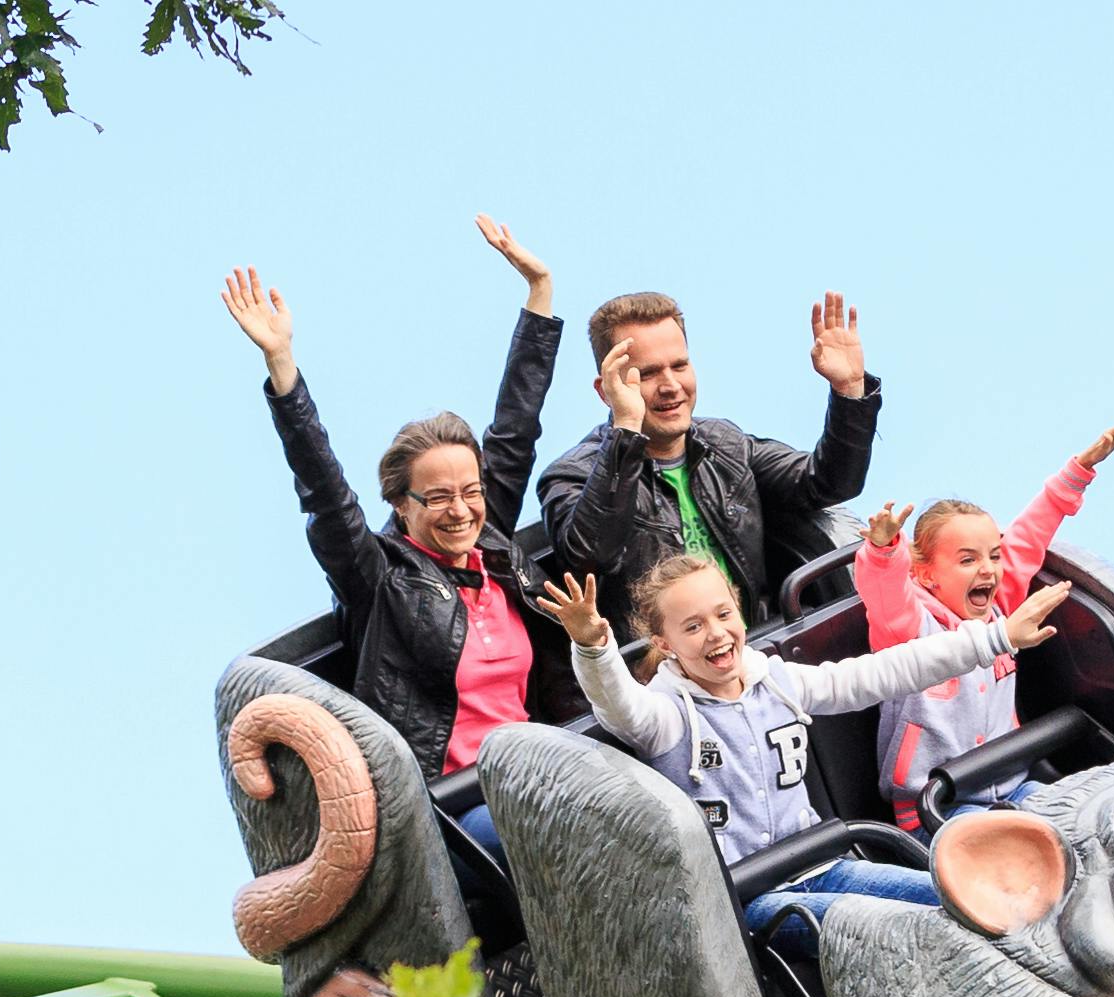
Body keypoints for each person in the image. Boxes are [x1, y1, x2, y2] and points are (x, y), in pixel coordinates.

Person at [220, 218, 587, 856]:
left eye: (470, 493)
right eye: (438, 498)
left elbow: (515, 426)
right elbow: (326, 496)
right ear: (400, 503)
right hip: (451, 807)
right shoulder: (382, 575)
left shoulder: (493, 544)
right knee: (544, 835)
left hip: (541, 776)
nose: (461, 511)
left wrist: (540, 294)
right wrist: (282, 368)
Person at [536, 559, 1070, 955]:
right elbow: (618, 707)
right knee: (890, 932)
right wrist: (594, 647)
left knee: (962, 898)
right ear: (666, 642)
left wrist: (997, 636)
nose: (716, 634)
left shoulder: (781, 682)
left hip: (825, 865)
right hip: (755, 901)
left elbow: (886, 671)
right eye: (693, 626)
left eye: (723, 614)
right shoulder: (667, 715)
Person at [535, 290, 881, 640]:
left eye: (679, 366)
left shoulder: (725, 443)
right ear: (607, 390)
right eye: (649, 374)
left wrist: (849, 390)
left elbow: (829, 483)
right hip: (662, 678)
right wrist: (625, 433)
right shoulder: (570, 476)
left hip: (758, 649)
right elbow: (592, 555)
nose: (671, 386)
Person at [857, 414, 1114, 830]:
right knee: (1022, 849)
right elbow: (882, 594)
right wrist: (883, 551)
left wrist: (1079, 470)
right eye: (968, 560)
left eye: (993, 555)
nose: (989, 570)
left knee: (1084, 818)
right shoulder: (907, 630)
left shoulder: (1001, 607)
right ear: (924, 574)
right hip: (935, 808)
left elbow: (1031, 532)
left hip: (1011, 784)